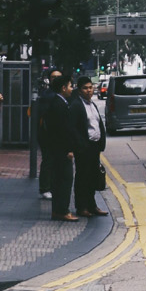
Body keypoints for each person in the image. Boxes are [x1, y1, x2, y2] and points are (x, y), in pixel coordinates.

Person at [39, 72, 76, 219]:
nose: (72, 89)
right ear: (63, 88)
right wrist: (68, 150)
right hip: (62, 151)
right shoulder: (59, 105)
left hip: (58, 150)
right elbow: (61, 131)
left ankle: (58, 210)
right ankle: (62, 211)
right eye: (70, 86)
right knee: (64, 181)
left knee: (59, 180)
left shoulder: (58, 102)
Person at [69, 76, 106, 217]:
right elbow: (73, 128)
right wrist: (80, 145)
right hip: (84, 147)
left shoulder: (93, 105)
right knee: (82, 177)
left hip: (94, 147)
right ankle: (81, 207)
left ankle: (92, 205)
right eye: (85, 88)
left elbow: (98, 124)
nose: (89, 90)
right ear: (79, 90)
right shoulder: (77, 105)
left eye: (90, 87)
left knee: (92, 177)